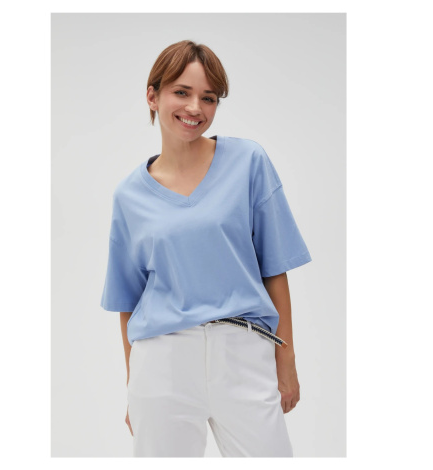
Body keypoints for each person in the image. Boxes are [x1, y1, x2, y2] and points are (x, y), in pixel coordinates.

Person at [100, 40, 312, 457]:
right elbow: (128, 301)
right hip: (161, 364)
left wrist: (285, 363)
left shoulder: (248, 162)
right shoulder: (129, 195)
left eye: (209, 97)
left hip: (244, 353)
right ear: (152, 96)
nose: (195, 107)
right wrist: (133, 386)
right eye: (181, 92)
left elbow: (274, 268)